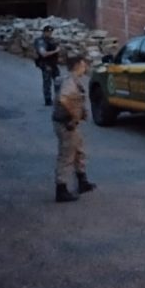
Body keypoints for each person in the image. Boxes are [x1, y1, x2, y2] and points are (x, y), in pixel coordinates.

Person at [52, 56, 96, 202]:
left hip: (69, 124)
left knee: (78, 152)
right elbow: (63, 99)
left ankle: (82, 181)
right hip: (67, 124)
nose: (85, 68)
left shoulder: (71, 80)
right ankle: (61, 189)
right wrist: (74, 115)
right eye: (83, 65)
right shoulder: (69, 82)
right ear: (77, 66)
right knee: (66, 156)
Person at [34, 25, 61, 106]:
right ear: (44, 32)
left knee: (58, 81)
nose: (49, 33)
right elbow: (43, 54)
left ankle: (59, 98)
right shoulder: (40, 41)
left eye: (50, 32)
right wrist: (55, 51)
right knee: (47, 82)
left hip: (53, 64)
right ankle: (48, 100)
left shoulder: (52, 40)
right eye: (48, 32)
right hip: (46, 64)